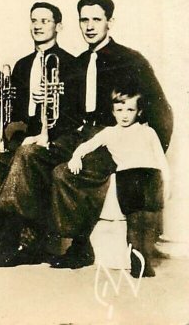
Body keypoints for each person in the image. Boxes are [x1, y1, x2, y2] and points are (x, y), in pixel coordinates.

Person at [49, 0, 172, 269]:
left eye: (97, 19)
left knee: (63, 174)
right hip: (80, 135)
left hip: (111, 139)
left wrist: (146, 155)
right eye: (84, 19)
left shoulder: (130, 59)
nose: (90, 26)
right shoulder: (76, 63)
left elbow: (161, 111)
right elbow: (67, 113)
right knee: (32, 155)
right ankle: (28, 242)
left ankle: (79, 245)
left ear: (110, 22)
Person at [0, 3, 80, 267]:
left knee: (26, 153)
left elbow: (77, 115)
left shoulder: (70, 63)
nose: (38, 25)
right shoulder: (22, 65)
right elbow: (15, 114)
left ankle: (19, 240)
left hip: (58, 138)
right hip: (27, 137)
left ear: (59, 26)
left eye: (45, 20)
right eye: (34, 20)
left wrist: (48, 129)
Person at [66, 86, 169, 277]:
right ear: (113, 112)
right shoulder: (109, 133)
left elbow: (161, 160)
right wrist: (75, 158)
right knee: (134, 221)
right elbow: (86, 146)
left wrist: (166, 184)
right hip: (128, 178)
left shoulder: (148, 132)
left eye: (130, 110)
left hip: (151, 177)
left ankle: (146, 260)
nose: (124, 115)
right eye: (119, 110)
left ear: (139, 111)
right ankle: (138, 264)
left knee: (149, 222)